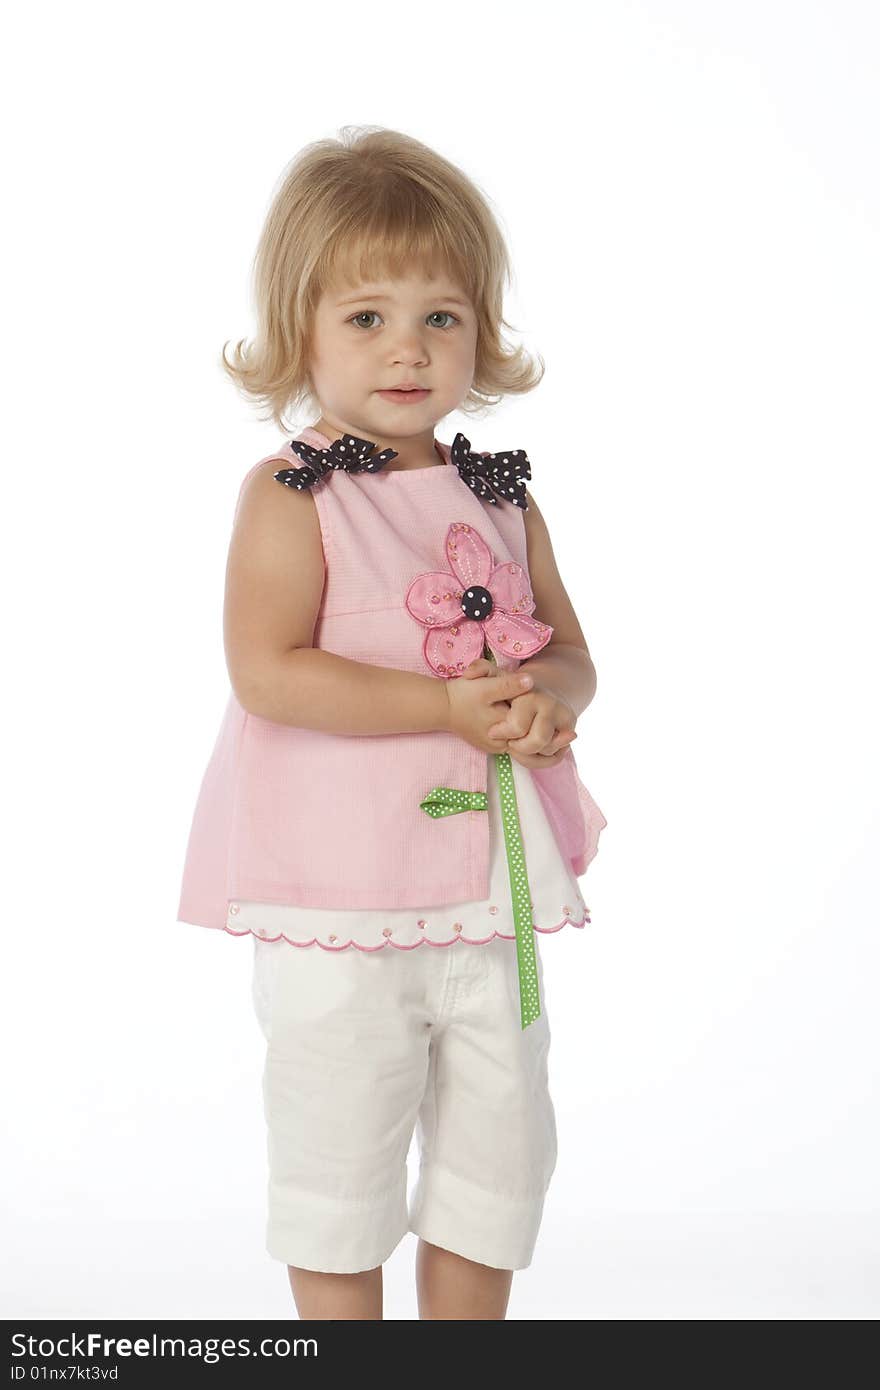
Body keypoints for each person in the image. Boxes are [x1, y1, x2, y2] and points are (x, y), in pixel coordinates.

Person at [177, 125, 607, 1320]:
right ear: (298, 330)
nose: (408, 348)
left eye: (441, 316)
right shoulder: (292, 492)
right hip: (338, 899)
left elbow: (570, 651)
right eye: (365, 316)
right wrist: (442, 705)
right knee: (338, 1162)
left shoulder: (501, 491)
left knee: (496, 1157)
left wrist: (545, 706)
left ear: (483, 332)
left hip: (490, 885)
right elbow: (270, 671)